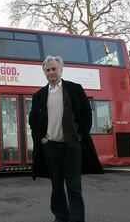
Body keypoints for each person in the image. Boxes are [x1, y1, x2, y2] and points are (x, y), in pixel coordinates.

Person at [29, 55, 103, 222]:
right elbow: (33, 120)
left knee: (74, 187)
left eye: (54, 69)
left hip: (72, 145)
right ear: (44, 73)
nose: (51, 72)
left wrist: (80, 135)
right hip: (51, 146)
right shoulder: (39, 95)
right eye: (47, 70)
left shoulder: (75, 89)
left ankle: (76, 219)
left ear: (61, 69)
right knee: (56, 187)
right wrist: (42, 139)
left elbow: (86, 114)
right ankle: (61, 217)